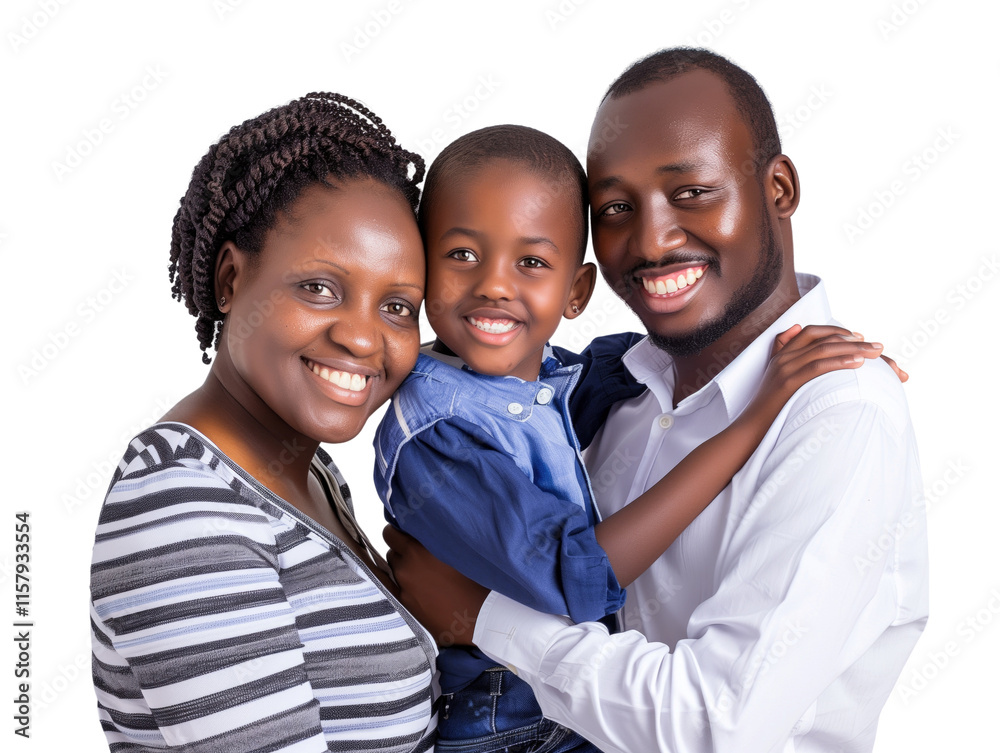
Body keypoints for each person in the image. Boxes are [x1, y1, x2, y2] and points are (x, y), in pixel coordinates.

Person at [385, 48, 928, 752]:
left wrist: (481, 616)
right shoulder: (615, 386)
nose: (651, 240)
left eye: (691, 191)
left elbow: (712, 726)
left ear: (779, 189)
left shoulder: (840, 414)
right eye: (616, 208)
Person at [89, 93, 438, 752]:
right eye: (320, 288)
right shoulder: (183, 504)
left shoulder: (310, 471)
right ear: (230, 279)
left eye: (397, 306)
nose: (364, 338)